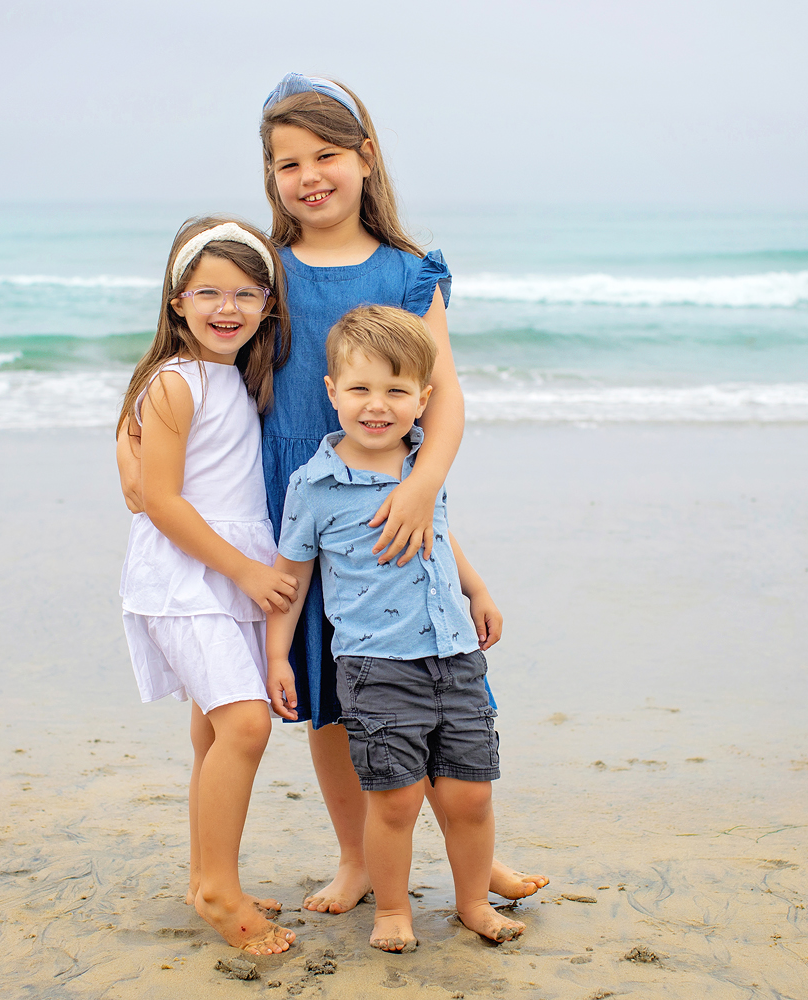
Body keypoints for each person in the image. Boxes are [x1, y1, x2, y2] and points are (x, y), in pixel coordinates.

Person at [258, 71, 549, 914]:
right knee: (336, 687)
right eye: (287, 163)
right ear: (271, 177)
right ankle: (356, 857)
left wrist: (422, 487)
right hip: (303, 494)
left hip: (395, 493)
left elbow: (448, 395)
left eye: (327, 154)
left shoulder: (411, 271)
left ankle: (473, 853)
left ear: (366, 157)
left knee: (433, 671)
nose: (310, 175)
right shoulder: (266, 267)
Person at [266, 305, 525, 952]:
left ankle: (472, 903)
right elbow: (291, 579)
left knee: (470, 795)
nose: (376, 406)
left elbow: (439, 534)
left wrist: (479, 587)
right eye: (359, 389)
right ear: (331, 393)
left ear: (422, 399)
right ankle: (391, 911)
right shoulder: (315, 486)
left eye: (396, 391)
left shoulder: (422, 466)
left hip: (455, 654)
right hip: (376, 667)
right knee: (397, 801)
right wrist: (277, 657)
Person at [114, 215, 298, 955]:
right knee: (246, 725)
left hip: (223, 572)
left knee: (213, 730)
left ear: (266, 305)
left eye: (247, 293)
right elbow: (159, 500)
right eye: (210, 291)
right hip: (185, 578)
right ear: (177, 302)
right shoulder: (174, 381)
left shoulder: (234, 379)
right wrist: (248, 570)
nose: (229, 307)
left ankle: (205, 875)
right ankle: (221, 888)